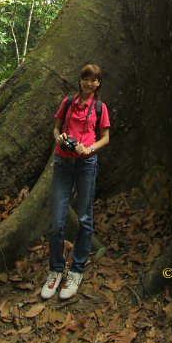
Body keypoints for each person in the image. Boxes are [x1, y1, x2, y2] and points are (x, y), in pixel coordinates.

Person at [41, 63, 110, 300]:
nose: (89, 83)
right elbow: (56, 128)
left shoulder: (100, 108)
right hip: (62, 163)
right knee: (57, 220)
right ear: (79, 81)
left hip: (86, 164)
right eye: (86, 79)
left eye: (94, 80)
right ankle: (56, 269)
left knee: (84, 217)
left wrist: (88, 148)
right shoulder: (68, 102)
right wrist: (59, 138)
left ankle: (77, 269)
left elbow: (105, 138)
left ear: (98, 84)